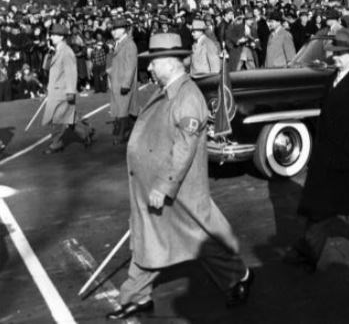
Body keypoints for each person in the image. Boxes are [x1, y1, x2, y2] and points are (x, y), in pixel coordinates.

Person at [107, 33, 253, 320]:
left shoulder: (187, 97)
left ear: (173, 63)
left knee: (200, 242)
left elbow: (184, 148)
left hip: (179, 192)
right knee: (151, 239)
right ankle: (137, 296)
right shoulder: (168, 89)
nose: (149, 67)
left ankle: (239, 277)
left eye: (154, 62)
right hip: (156, 187)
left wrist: (164, 186)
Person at [283, 28, 349, 271]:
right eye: (334, 53)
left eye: (339, 54)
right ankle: (308, 252)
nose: (334, 58)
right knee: (320, 206)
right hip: (329, 156)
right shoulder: (333, 78)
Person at [41, 23, 94, 154]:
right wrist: (49, 52)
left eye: (54, 35)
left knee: (57, 119)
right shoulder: (56, 50)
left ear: (61, 37)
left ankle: (56, 143)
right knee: (70, 119)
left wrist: (71, 91)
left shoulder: (67, 52)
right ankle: (86, 132)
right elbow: (45, 68)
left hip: (63, 92)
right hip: (56, 91)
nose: (51, 37)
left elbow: (71, 73)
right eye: (51, 34)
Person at [107, 18, 139, 145]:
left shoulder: (129, 44)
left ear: (124, 29)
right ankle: (130, 132)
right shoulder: (120, 43)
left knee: (124, 110)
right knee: (125, 109)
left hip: (124, 84)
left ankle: (123, 134)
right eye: (113, 29)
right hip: (118, 81)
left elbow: (130, 66)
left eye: (116, 28)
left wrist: (126, 84)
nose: (113, 31)